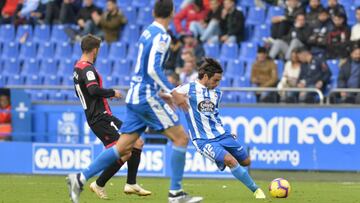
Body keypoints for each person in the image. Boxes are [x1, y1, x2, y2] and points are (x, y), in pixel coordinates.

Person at [66, 1, 203, 203]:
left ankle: (80, 177)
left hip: (136, 94)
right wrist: (173, 92)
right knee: (181, 138)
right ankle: (175, 194)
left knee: (124, 147)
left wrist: (160, 92)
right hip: (145, 96)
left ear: (154, 11)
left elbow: (143, 70)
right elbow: (151, 69)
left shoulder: (146, 32)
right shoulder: (162, 36)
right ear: (172, 13)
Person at [72, 34, 151, 200]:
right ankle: (85, 178)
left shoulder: (77, 68)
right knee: (124, 149)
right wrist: (112, 92)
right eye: (98, 49)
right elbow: (93, 90)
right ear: (95, 50)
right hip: (100, 117)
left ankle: (123, 183)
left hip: (102, 116)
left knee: (136, 143)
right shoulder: (87, 68)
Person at [175, 58, 266, 199]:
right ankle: (256, 190)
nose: (217, 84)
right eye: (215, 80)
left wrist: (227, 133)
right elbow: (171, 94)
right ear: (205, 76)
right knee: (231, 161)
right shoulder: (189, 88)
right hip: (203, 139)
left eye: (219, 81)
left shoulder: (217, 94)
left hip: (222, 134)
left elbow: (213, 115)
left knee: (246, 162)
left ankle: (227, 157)